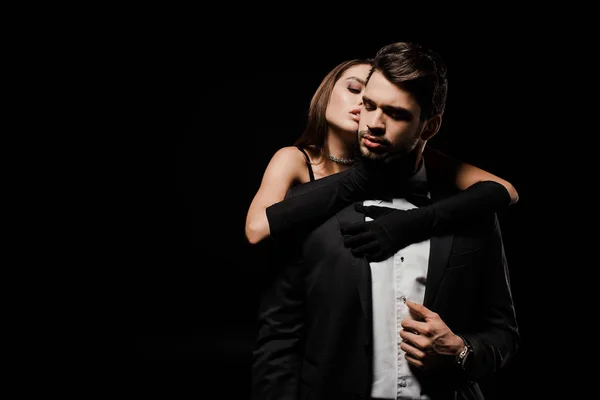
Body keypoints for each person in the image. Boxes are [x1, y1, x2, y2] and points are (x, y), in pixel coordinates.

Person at [251, 41, 519, 400]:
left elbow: (503, 333)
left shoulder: (470, 210)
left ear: (429, 126)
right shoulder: (307, 204)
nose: (374, 123)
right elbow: (279, 340)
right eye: (368, 105)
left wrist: (461, 352)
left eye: (395, 113)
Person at [244, 59, 518, 252]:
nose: (363, 107)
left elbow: (505, 190)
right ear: (326, 92)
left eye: (372, 99)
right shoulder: (295, 159)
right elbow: (256, 230)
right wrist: (355, 182)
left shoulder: (398, 155)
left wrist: (416, 223)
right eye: (355, 92)